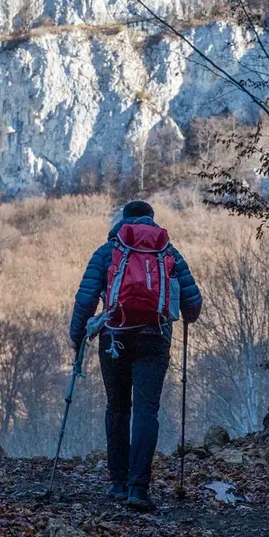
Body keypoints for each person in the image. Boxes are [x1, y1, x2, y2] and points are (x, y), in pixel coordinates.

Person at [69, 199, 202, 512]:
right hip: (154, 339)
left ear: (123, 221)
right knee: (146, 410)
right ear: (152, 221)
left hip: (113, 338)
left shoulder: (107, 252)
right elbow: (193, 307)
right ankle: (138, 490)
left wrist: (78, 341)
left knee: (117, 407)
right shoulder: (168, 252)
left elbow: (85, 299)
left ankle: (117, 483)